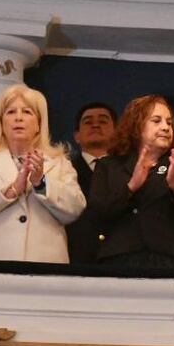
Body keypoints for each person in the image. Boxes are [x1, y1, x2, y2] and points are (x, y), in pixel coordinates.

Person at [0, 85, 86, 262]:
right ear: (1, 123)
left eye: (27, 112)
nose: (18, 118)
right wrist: (11, 190)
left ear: (39, 124)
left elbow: (74, 208)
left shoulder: (59, 162)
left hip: (45, 266)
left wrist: (41, 183)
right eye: (10, 112)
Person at [88, 95, 174, 268]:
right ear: (136, 126)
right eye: (156, 121)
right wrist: (131, 187)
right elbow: (97, 214)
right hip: (120, 257)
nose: (165, 127)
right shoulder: (108, 165)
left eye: (169, 123)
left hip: (171, 259)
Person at [67, 101, 117, 264]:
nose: (95, 125)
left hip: (119, 259)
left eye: (103, 121)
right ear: (77, 136)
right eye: (88, 122)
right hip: (76, 259)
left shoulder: (130, 171)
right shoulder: (63, 170)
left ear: (117, 132)